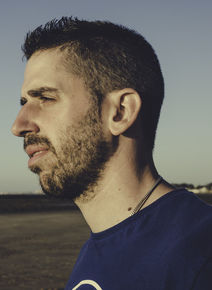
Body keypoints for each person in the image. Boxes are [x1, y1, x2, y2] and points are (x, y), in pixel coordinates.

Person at [11, 17, 212, 290]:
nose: (18, 126)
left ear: (120, 112)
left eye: (45, 98)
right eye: (24, 102)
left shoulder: (198, 256)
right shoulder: (96, 249)